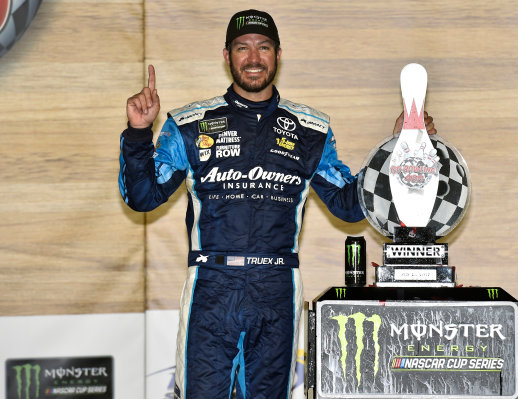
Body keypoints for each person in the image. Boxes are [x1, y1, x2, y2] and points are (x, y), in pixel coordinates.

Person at [119, 9, 436, 399]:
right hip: (210, 289)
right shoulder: (189, 125)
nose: (253, 58)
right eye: (242, 48)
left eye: (263, 47)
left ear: (278, 54)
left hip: (277, 289)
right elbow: (142, 197)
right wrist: (137, 133)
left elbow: (350, 206)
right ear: (226, 56)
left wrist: (395, 150)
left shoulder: (311, 130)